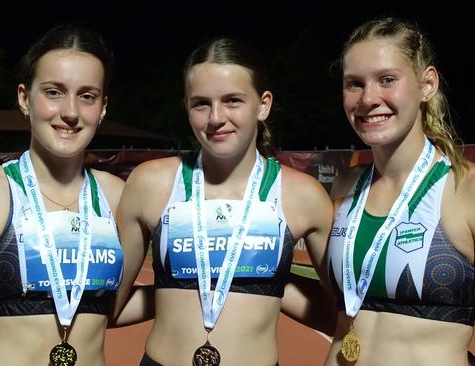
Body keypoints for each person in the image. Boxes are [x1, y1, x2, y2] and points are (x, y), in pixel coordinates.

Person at [114, 37, 335, 366]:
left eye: (233, 100)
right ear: (186, 107)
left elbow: (344, 312)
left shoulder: (303, 196)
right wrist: (170, 292)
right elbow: (110, 307)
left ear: (263, 105)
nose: (216, 117)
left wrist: (271, 287)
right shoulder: (150, 183)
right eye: (201, 103)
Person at [326, 17, 475, 365]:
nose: (368, 98)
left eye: (387, 80)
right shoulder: (346, 187)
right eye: (354, 84)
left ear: (427, 85)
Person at [0, 24, 127, 366]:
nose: (71, 112)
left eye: (87, 96)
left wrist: (180, 294)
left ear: (103, 107)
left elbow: (113, 306)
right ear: (24, 97)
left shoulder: (118, 196)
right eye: (53, 92)